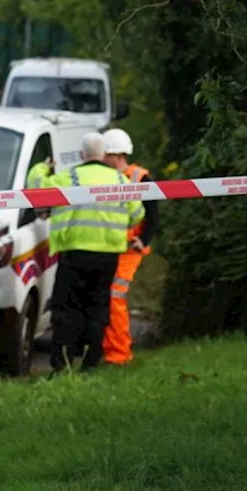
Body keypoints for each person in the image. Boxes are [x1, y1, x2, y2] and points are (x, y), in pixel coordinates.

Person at [26, 132, 145, 373]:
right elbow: (137, 216)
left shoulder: (69, 177)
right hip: (108, 255)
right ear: (104, 154)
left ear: (82, 155)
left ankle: (62, 364)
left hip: (74, 254)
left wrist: (42, 167)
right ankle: (91, 362)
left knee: (67, 308)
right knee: (98, 307)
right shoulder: (122, 182)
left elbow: (36, 188)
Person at [100, 128, 158, 366]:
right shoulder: (105, 176)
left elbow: (153, 214)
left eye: (106, 154)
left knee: (114, 297)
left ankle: (119, 354)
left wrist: (143, 240)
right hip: (109, 246)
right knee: (106, 298)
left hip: (129, 249)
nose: (103, 159)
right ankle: (110, 350)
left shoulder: (139, 177)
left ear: (117, 154)